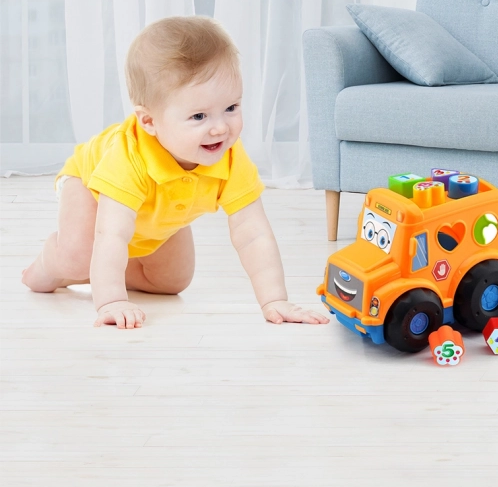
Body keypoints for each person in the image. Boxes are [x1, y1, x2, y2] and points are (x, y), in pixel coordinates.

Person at [22, 16, 329, 330]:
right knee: (79, 253)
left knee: (171, 281)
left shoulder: (231, 158)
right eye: (199, 116)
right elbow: (111, 233)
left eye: (231, 107)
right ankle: (51, 261)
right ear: (149, 121)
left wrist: (274, 299)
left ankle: (103, 267)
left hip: (158, 207)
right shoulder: (129, 159)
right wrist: (112, 300)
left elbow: (254, 233)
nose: (221, 127)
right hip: (91, 187)